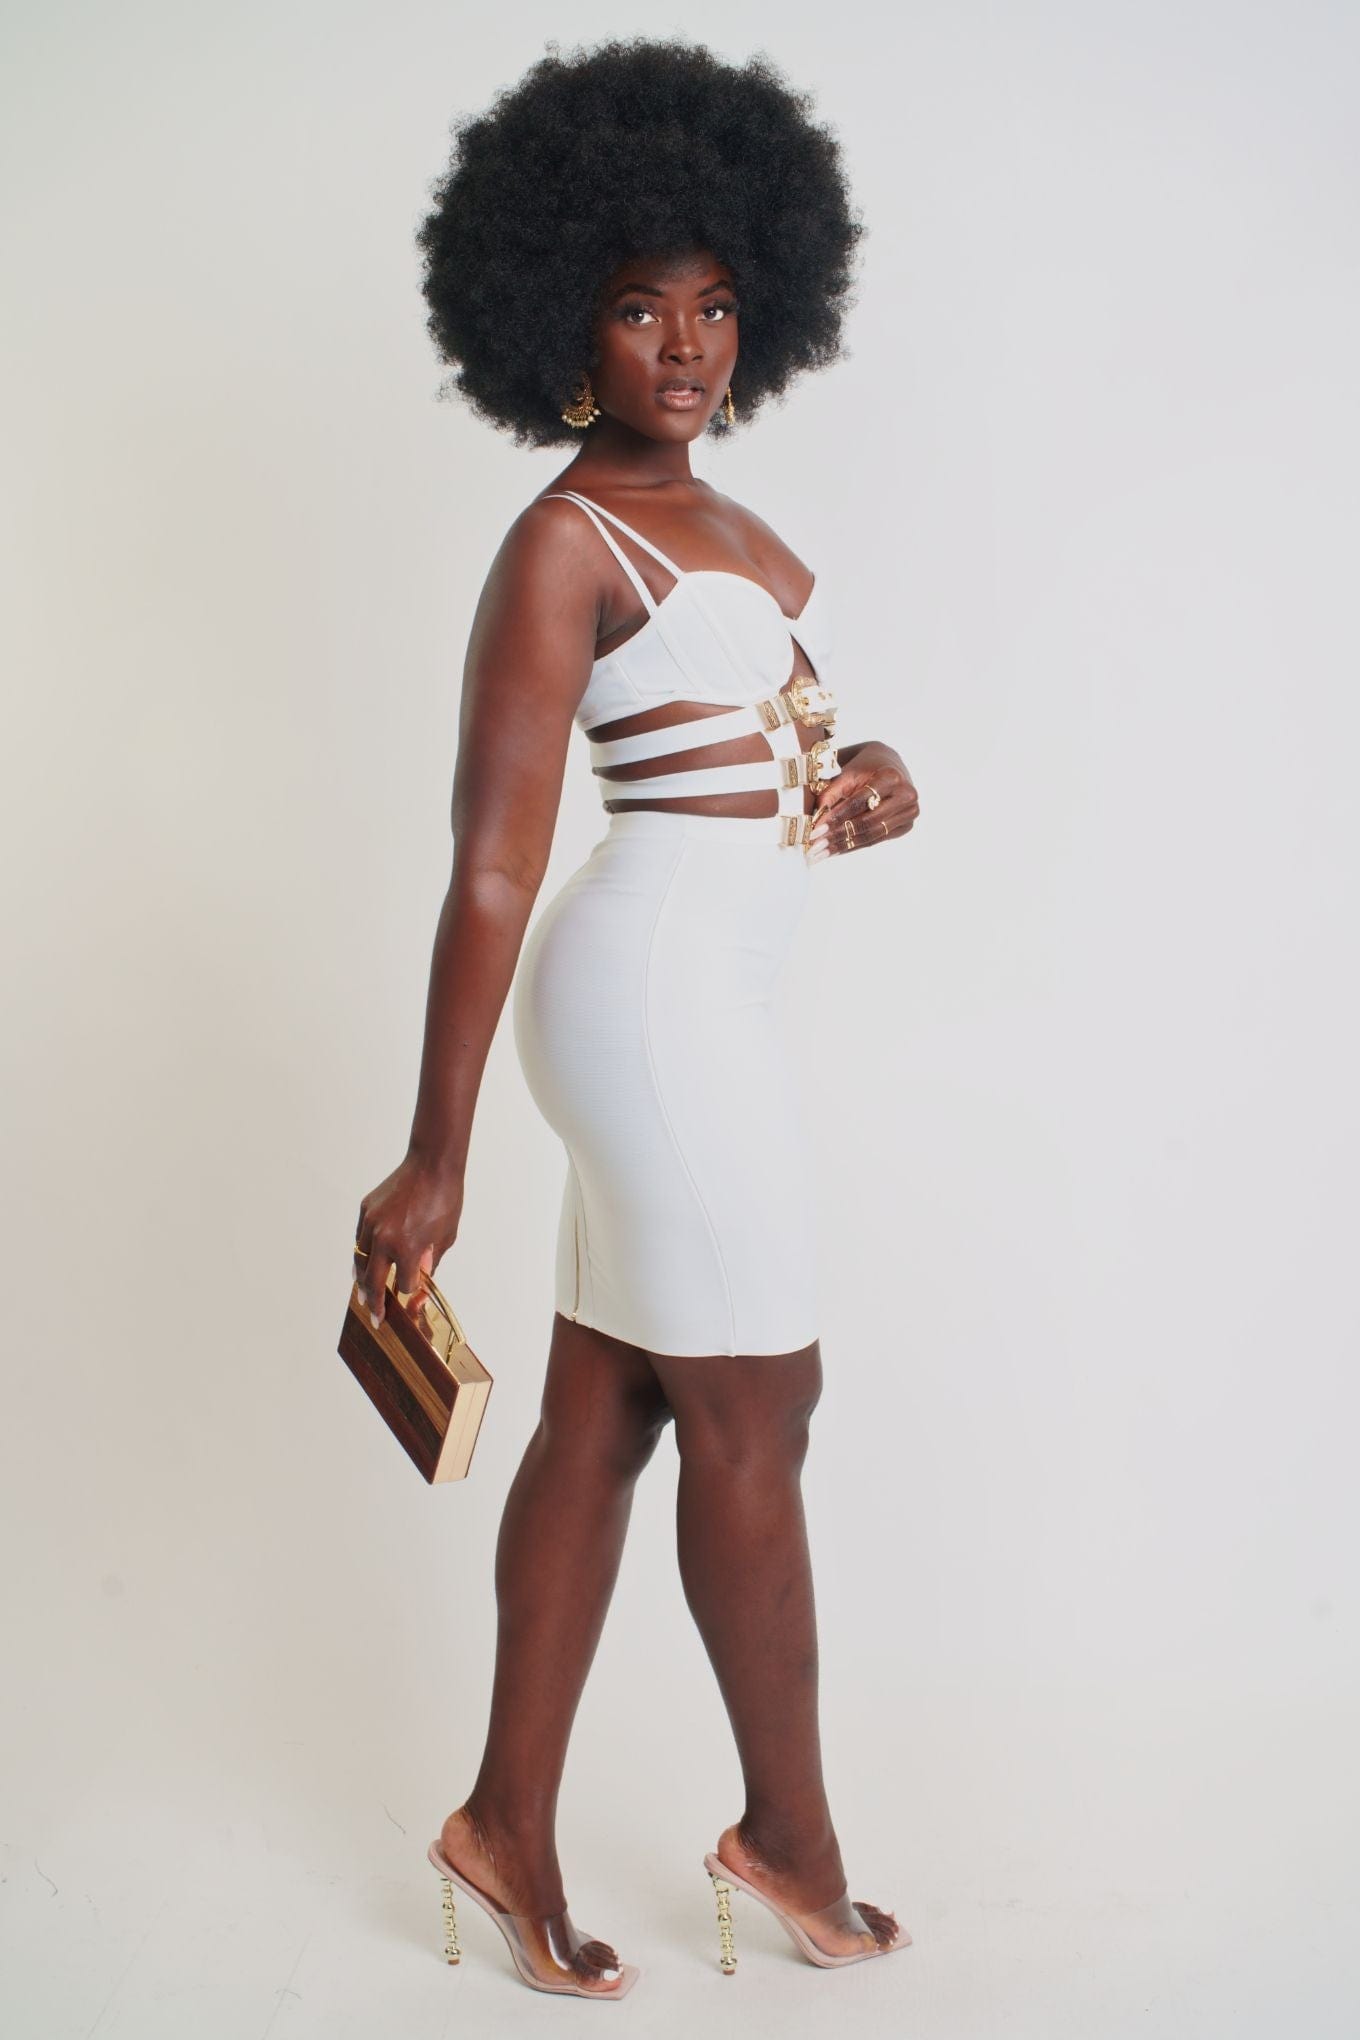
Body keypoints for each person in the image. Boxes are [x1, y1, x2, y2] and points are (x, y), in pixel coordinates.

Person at [352, 36, 921, 1999]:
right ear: (561, 329)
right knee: (759, 1399)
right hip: (647, 1004)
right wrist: (435, 1152)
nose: (681, 343)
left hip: (710, 993)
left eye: (713, 306)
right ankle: (791, 1842)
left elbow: (796, 759)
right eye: (635, 306)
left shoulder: (743, 538)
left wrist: (874, 780)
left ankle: (503, 1823)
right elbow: (491, 862)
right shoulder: (563, 544)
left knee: (608, 1410)